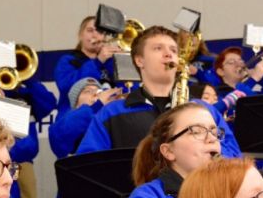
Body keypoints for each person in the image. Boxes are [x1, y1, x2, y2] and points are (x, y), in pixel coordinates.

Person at [76, 26, 241, 158]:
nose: (169, 53)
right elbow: (90, 165)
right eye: (158, 48)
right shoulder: (112, 112)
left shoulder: (204, 110)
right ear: (139, 60)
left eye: (174, 50)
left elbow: (234, 157)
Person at [54, 16, 122, 114]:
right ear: (80, 35)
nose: (95, 35)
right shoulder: (68, 60)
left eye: (99, 31)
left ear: (104, 37)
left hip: (108, 118)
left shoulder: (110, 61)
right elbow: (66, 87)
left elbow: (127, 90)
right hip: (76, 120)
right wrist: (98, 61)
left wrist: (117, 62)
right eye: (90, 30)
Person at [48, 77, 121, 159]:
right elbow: (59, 139)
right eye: (88, 91)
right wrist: (97, 106)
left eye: (98, 91)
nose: (95, 94)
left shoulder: (109, 117)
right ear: (76, 104)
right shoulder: (68, 119)